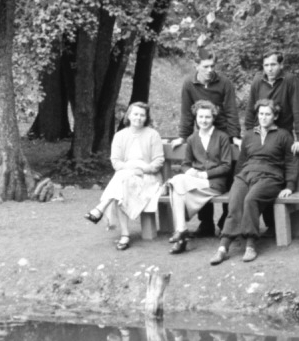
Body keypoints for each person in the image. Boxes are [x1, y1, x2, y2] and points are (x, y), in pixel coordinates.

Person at [210, 99, 299, 265]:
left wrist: (290, 186)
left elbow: (291, 162)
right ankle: (223, 247)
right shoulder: (250, 135)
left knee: (251, 200)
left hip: (270, 177)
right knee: (235, 201)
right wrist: (237, 182)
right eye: (261, 114)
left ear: (275, 116)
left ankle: (250, 244)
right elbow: (242, 161)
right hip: (246, 175)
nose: (263, 117)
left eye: (267, 114)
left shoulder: (283, 135)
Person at [173, 49, 240, 236]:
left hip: (223, 133)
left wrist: (234, 135)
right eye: (206, 67)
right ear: (197, 66)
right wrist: (183, 136)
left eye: (212, 66)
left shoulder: (224, 82)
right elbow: (187, 111)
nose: (210, 70)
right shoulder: (189, 83)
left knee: (227, 178)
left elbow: (232, 110)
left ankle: (226, 220)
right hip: (203, 128)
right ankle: (206, 224)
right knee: (201, 167)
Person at [84, 102, 164, 250]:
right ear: (129, 115)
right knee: (122, 184)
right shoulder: (120, 135)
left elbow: (158, 161)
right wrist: (131, 170)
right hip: (126, 176)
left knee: (121, 181)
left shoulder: (153, 135)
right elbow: (116, 162)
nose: (138, 118)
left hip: (148, 178)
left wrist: (143, 169)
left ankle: (103, 212)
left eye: (142, 115)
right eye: (135, 114)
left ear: (146, 117)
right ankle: (123, 233)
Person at [165, 100, 235, 254]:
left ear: (213, 118)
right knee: (178, 186)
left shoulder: (222, 137)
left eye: (207, 117)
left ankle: (181, 231)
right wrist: (189, 170)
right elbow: (185, 164)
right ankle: (182, 231)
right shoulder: (192, 138)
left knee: (176, 183)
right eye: (200, 117)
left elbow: (226, 166)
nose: (204, 120)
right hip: (195, 182)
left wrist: (204, 174)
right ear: (196, 118)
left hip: (214, 183)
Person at [243, 51, 299, 196]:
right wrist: (248, 133)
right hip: (261, 134)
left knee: (279, 173)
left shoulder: (290, 80)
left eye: (273, 64)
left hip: (282, 135)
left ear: (281, 65)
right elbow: (250, 108)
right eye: (266, 65)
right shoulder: (258, 81)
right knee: (260, 172)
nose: (269, 68)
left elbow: (298, 109)